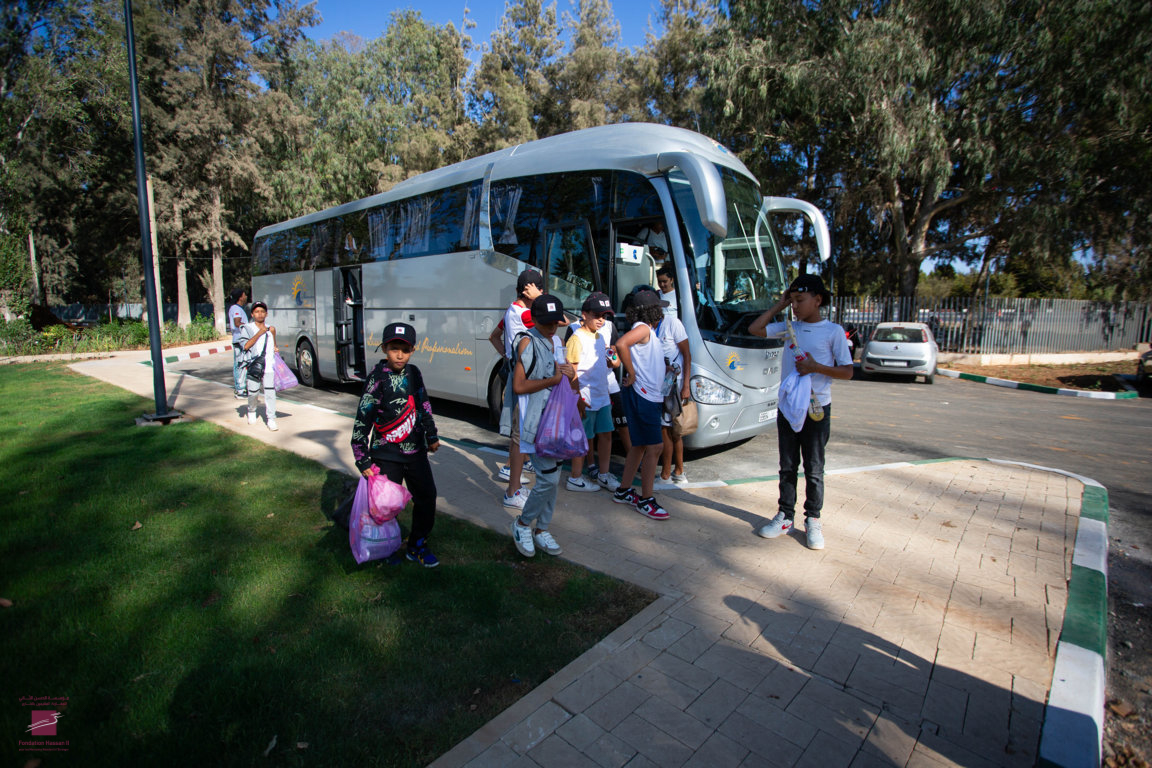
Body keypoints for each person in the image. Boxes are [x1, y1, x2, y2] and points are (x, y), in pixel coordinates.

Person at [748, 274, 853, 550]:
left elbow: (848, 371)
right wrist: (778, 306)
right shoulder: (787, 327)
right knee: (787, 465)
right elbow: (755, 329)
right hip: (788, 407)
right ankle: (785, 516)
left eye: (799, 300)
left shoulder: (833, 332)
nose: (795, 306)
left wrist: (816, 367)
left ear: (818, 300)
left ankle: (813, 520)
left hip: (817, 410)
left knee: (814, 469)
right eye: (792, 300)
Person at [351, 323, 442, 567]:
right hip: (386, 454)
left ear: (412, 349)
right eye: (394, 349)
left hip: (416, 454)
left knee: (427, 497)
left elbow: (423, 404)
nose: (399, 355)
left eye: (405, 349)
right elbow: (363, 417)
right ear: (384, 349)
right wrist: (362, 457)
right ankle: (385, 546)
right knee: (385, 506)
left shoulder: (414, 373)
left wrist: (431, 436)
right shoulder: (376, 379)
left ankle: (417, 544)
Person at [504, 295, 577, 558]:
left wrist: (570, 376)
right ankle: (523, 523)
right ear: (533, 319)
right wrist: (554, 379)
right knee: (547, 479)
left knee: (554, 477)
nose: (551, 327)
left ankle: (542, 528)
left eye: (555, 322)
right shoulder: (526, 341)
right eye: (546, 322)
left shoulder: (556, 341)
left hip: (555, 421)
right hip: (534, 422)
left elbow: (566, 381)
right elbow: (519, 386)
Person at [489, 269, 546, 510]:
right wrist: (540, 299)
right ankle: (513, 491)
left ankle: (513, 471)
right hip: (526, 376)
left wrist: (507, 356)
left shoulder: (511, 310)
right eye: (539, 289)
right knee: (520, 434)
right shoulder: (525, 314)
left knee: (520, 433)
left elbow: (494, 336)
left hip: (517, 371)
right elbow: (559, 320)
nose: (542, 293)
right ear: (528, 290)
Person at [612, 288, 671, 520]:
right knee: (655, 447)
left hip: (644, 394)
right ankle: (646, 500)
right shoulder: (644, 329)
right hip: (644, 395)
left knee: (639, 446)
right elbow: (621, 345)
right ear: (654, 311)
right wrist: (633, 373)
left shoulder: (646, 331)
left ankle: (624, 490)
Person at [564, 292, 620, 493]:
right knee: (581, 437)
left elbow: (613, 358)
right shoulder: (577, 338)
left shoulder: (600, 337)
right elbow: (571, 372)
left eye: (604, 316)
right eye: (597, 315)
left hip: (602, 395)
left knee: (606, 434)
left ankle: (603, 475)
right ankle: (575, 478)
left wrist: (613, 360)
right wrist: (577, 398)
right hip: (585, 398)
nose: (601, 320)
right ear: (584, 314)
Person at [656, 284, 691, 485]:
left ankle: (669, 473)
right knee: (668, 429)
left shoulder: (672, 323)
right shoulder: (649, 326)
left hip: (673, 386)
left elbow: (687, 354)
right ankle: (675, 471)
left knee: (672, 429)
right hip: (659, 385)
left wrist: (686, 385)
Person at [238, 301, 278, 431]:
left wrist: (275, 348)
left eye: (262, 311)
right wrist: (259, 333)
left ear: (266, 314)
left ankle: (271, 418)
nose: (259, 314)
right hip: (254, 365)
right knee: (253, 392)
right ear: (252, 314)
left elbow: (274, 345)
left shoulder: (271, 329)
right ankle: (252, 410)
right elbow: (245, 346)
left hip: (268, 366)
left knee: (270, 393)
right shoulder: (247, 328)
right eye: (256, 312)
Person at [227, 288, 249, 398]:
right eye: (244, 295)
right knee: (240, 365)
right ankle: (240, 390)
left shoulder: (238, 308)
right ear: (240, 297)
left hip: (241, 340)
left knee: (243, 364)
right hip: (239, 340)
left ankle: (242, 387)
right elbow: (237, 323)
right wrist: (249, 327)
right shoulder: (236, 308)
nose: (246, 296)